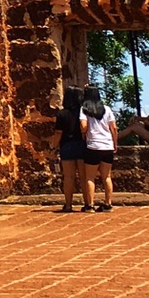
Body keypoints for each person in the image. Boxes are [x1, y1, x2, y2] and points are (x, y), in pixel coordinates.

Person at [77, 84, 117, 212]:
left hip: (93, 146)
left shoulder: (84, 109)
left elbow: (83, 126)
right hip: (107, 146)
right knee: (107, 177)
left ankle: (90, 205)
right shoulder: (107, 109)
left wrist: (85, 133)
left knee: (90, 177)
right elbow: (114, 128)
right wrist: (114, 143)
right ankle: (108, 204)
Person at [55, 82, 91, 212]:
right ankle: (88, 203)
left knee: (69, 177)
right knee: (84, 177)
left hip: (67, 145)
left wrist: (54, 146)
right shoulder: (84, 113)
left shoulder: (62, 114)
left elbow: (59, 133)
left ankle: (68, 204)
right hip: (82, 144)